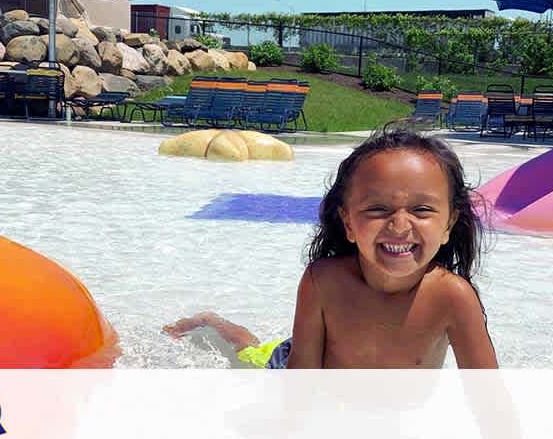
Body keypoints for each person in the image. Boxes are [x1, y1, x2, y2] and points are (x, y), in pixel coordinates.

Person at [163, 124, 497, 369]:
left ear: (448, 225)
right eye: (377, 209)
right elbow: (300, 387)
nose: (399, 225)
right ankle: (211, 321)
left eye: (422, 210)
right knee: (249, 353)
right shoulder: (323, 282)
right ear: (349, 223)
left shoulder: (453, 298)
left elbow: (488, 399)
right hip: (294, 368)